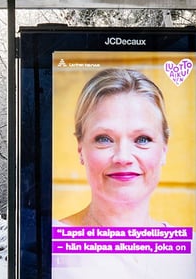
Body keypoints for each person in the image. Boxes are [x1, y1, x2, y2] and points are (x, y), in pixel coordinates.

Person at [59, 68, 169, 228]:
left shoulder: (190, 248)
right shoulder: (50, 240)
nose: (123, 158)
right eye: (104, 139)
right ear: (80, 148)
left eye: (143, 139)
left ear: (164, 149)